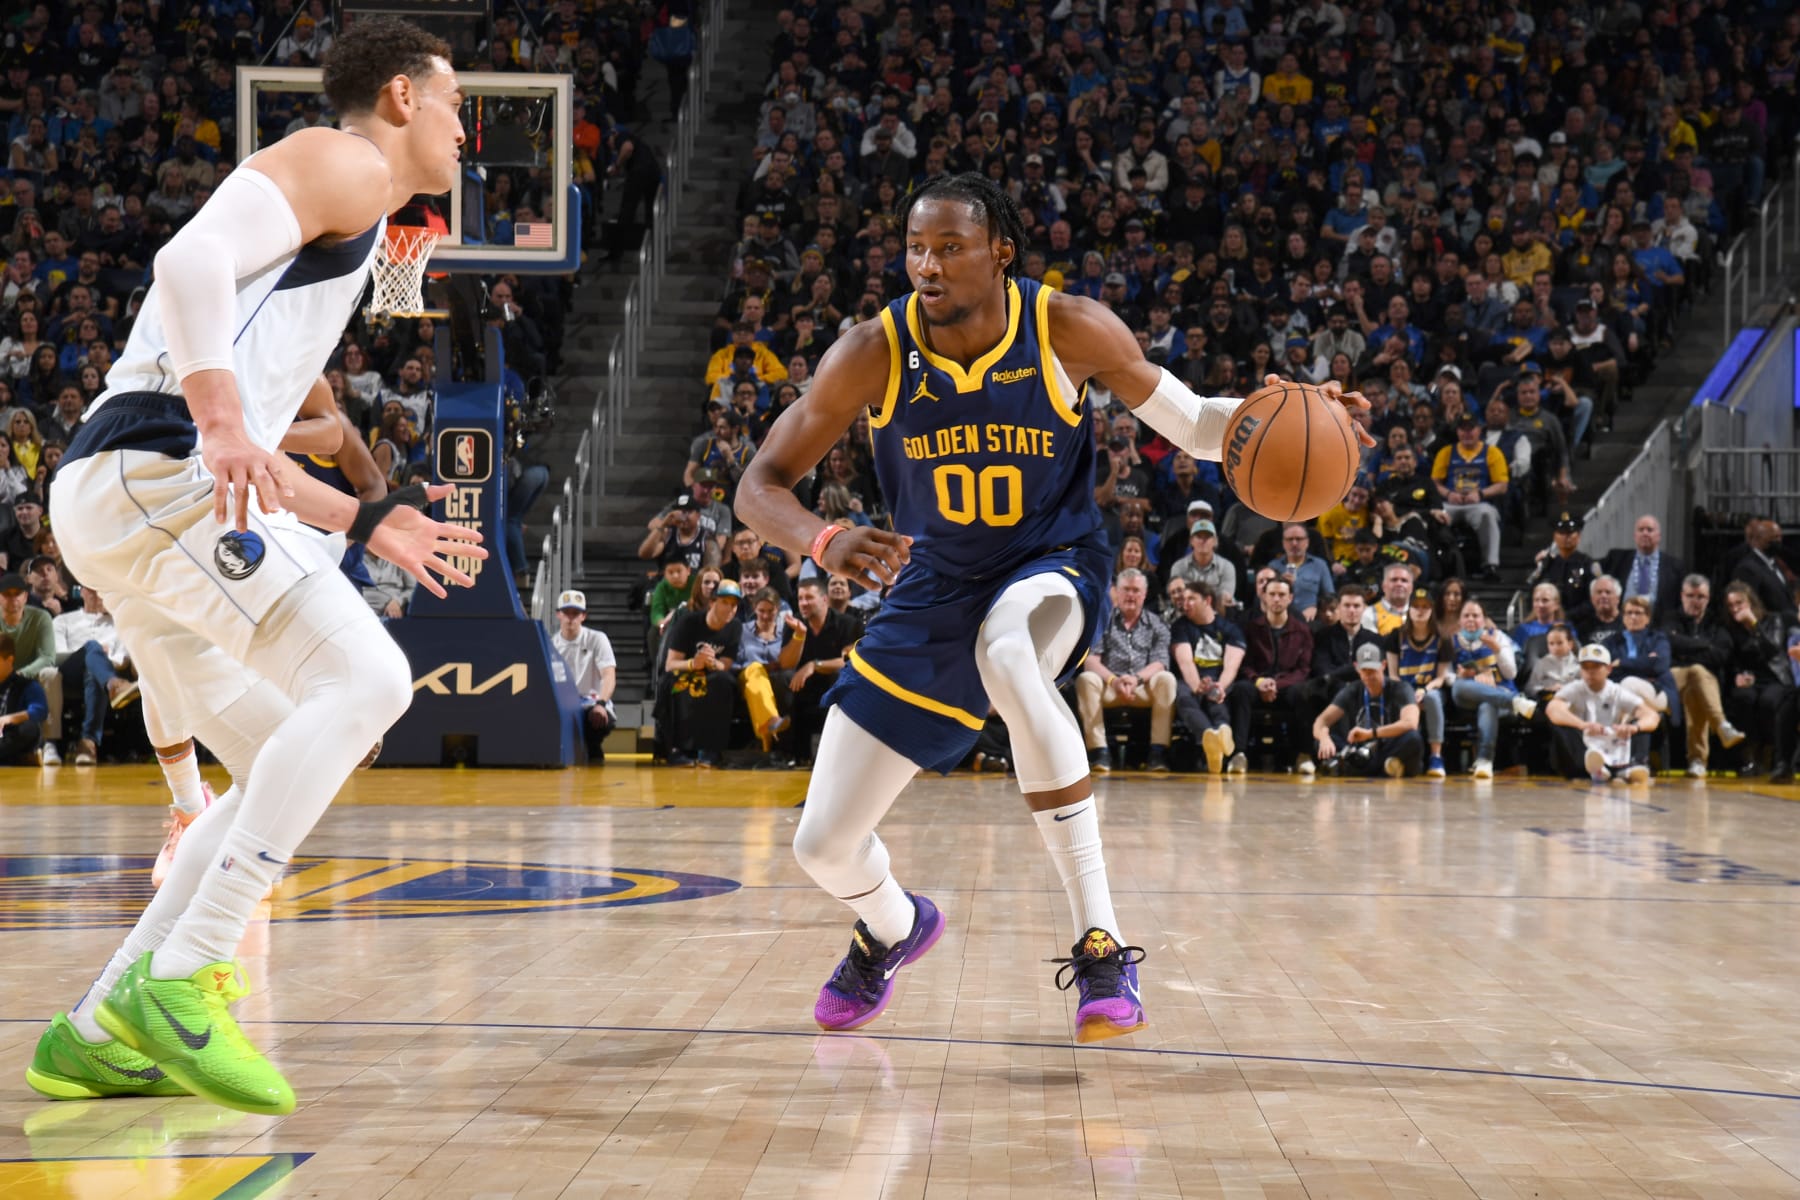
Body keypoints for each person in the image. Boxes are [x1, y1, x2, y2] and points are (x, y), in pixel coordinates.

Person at [734, 172, 1370, 1042]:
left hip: (1050, 562)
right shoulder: (873, 351)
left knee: (1008, 656)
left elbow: (1194, 424)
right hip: (933, 586)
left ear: (1001, 253)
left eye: (950, 248)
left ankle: (1101, 946)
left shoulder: (1066, 326)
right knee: (823, 847)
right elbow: (757, 487)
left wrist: (1294, 415)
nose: (927, 266)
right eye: (916, 248)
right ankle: (891, 927)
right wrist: (821, 539)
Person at [28, 19, 484, 1116]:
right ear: (401, 97)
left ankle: (98, 1027)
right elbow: (185, 260)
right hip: (157, 469)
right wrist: (222, 417)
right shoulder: (348, 160)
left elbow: (255, 457)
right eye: (458, 102)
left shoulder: (367, 222)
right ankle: (188, 976)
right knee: (367, 683)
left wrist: (370, 518)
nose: (469, 129)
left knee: (300, 746)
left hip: (146, 488)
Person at [1077, 568, 1177, 773]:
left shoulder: (1157, 625)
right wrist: (1114, 680)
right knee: (1086, 679)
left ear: (1144, 594)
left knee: (1166, 679)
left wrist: (1136, 679)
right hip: (1110, 686)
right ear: (1117, 592)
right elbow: (1091, 661)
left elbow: (1160, 662)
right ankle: (1099, 752)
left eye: (1136, 590)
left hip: (1142, 687)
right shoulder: (1102, 621)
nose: (1131, 595)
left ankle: (1158, 753)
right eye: (1126, 590)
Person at [1230, 573, 1315, 771]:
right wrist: (1259, 682)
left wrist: (1277, 684)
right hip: (1257, 685)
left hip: (1287, 687)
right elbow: (1244, 665)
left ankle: (1304, 755)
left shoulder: (1302, 631)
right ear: (1264, 597)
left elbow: (1304, 669)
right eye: (1272, 594)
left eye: (1281, 595)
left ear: (1290, 598)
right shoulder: (1251, 628)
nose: (1276, 599)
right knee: (1241, 689)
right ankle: (1239, 754)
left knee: (1304, 692)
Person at [1663, 574, 1745, 777]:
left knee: (1696, 689)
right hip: (1673, 678)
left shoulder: (1717, 622)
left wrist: (1687, 649)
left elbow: (1722, 655)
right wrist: (1705, 645)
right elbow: (1670, 644)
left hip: (1702, 683)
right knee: (1697, 671)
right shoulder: (1670, 618)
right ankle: (1721, 725)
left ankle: (1697, 762)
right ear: (1682, 595)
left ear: (1708, 598)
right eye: (1690, 596)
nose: (1695, 601)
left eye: (1700, 597)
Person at [1446, 598, 1536, 778]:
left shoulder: (1500, 637)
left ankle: (1484, 761)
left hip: (1500, 692)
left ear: (1484, 619)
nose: (1471, 619)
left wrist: (1497, 650)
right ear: (1460, 621)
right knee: (1457, 687)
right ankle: (1516, 702)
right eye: (1466, 615)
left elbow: (1511, 674)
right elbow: (1446, 677)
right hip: (1468, 697)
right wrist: (1463, 676)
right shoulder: (1451, 642)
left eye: (1476, 615)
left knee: (1488, 704)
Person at [658, 578, 744, 766]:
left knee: (724, 683)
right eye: (725, 603)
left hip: (712, 673)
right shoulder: (688, 622)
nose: (730, 609)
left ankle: (712, 750)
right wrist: (693, 664)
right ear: (712, 603)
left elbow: (726, 664)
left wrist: (712, 662)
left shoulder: (735, 627)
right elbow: (670, 664)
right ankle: (678, 749)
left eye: (734, 605)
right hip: (685, 671)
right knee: (676, 686)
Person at [1545, 643, 1658, 784]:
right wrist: (1582, 725)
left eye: (1596, 666)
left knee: (1642, 725)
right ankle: (1596, 770)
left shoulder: (1617, 691)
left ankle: (1633, 765)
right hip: (1585, 744)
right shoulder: (1574, 688)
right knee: (1560, 726)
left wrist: (1634, 728)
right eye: (1586, 667)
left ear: (1608, 669)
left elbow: (1651, 716)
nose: (1590, 671)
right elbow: (1553, 709)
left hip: (1612, 740)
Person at [1720, 582, 1799, 781]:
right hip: (1751, 680)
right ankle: (1751, 754)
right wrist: (1737, 675)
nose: (1735, 609)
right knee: (1742, 698)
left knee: (1769, 701)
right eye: (1731, 605)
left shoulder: (1774, 621)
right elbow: (1730, 659)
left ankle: (1771, 752)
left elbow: (1772, 651)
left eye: (1740, 603)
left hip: (1775, 677)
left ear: (1751, 602)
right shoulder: (1732, 630)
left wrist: (1754, 625)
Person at [1311, 642, 1425, 777]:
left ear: (1383, 665)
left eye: (1373, 670)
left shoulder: (1401, 688)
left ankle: (1352, 769)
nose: (1369, 676)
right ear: (1356, 668)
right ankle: (1383, 769)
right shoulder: (1352, 689)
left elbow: (1411, 723)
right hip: (1360, 751)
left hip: (1387, 745)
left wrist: (1371, 733)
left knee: (1413, 738)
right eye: (1364, 670)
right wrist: (1324, 737)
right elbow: (1321, 721)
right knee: (1319, 742)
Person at [1430, 414, 1508, 581]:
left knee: (1488, 515)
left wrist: (1480, 494)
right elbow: (1434, 483)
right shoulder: (1447, 452)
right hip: (1451, 503)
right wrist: (1448, 494)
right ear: (1457, 432)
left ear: (1479, 430)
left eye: (1470, 429)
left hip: (1479, 504)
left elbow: (1502, 485)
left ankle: (1490, 565)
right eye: (1462, 429)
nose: (1467, 433)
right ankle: (1437, 564)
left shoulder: (1492, 452)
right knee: (1435, 515)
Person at [1385, 586, 1452, 777]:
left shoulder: (1442, 638)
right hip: (1402, 688)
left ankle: (1436, 757)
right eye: (1416, 606)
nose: (1420, 610)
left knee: (1432, 698)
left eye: (1425, 606)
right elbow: (1393, 674)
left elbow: (1440, 677)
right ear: (1409, 609)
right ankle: (1397, 755)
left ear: (1431, 610)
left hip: (1430, 689)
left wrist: (1424, 690)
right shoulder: (1396, 635)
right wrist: (1408, 693)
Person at [551, 589, 616, 763]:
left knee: (599, 718)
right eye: (566, 613)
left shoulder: (597, 639)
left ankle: (594, 749)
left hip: (591, 700)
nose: (570, 618)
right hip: (564, 702)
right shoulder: (551, 644)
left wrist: (601, 703)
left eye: (576, 613)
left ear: (583, 616)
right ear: (559, 615)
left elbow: (609, 674)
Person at [1599, 515, 1685, 620]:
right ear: (1635, 535)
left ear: (1659, 536)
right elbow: (1593, 568)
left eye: (1650, 530)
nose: (1645, 533)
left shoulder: (1675, 566)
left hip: (1658, 626)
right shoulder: (1617, 559)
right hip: (1622, 624)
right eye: (1641, 530)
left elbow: (1681, 602)